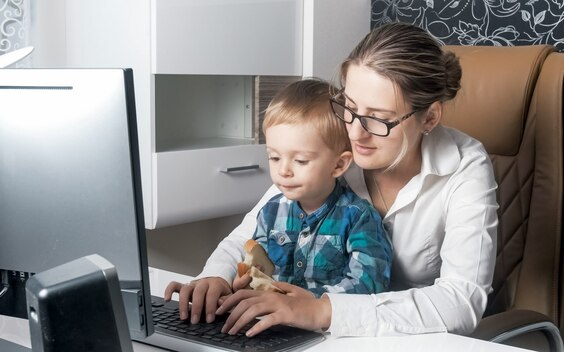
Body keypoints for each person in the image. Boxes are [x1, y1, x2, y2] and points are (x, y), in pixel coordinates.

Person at [165, 22, 498, 338]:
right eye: (349, 108)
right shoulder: (335, 145)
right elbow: (248, 235)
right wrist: (213, 277)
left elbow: (462, 300)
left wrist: (323, 311)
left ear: (429, 117)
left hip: (409, 338)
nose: (355, 132)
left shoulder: (465, 165)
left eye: (378, 120)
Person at [233, 78, 392, 298]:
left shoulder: (358, 218)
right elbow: (259, 265)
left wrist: (313, 301)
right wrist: (249, 278)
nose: (284, 171)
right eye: (274, 157)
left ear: (338, 165)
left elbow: (369, 283)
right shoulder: (270, 212)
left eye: (300, 161)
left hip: (332, 327)